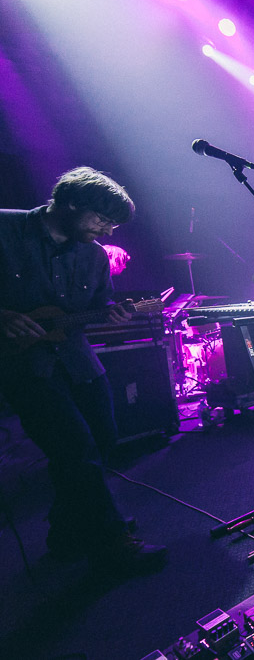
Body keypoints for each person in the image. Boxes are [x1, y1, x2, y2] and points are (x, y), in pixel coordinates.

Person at [0, 167, 166, 573]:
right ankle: (111, 543)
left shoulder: (93, 256)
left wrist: (112, 313)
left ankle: (66, 533)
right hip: (24, 366)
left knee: (102, 440)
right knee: (76, 447)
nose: (107, 232)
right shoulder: (6, 228)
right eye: (101, 220)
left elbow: (96, 307)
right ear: (71, 203)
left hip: (77, 360)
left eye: (112, 226)